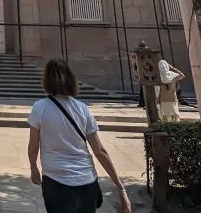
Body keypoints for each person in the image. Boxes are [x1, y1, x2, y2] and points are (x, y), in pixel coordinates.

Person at [28, 59, 131, 213]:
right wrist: (120, 188)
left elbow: (33, 146)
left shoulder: (39, 108)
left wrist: (33, 166)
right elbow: (100, 151)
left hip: (56, 182)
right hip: (86, 181)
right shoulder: (83, 109)